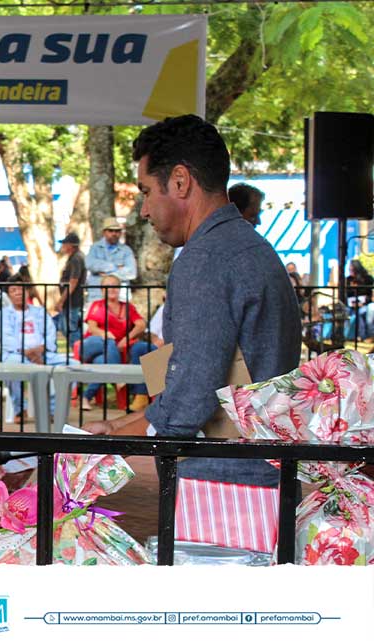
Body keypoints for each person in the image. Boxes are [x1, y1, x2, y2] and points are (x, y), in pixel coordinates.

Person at [84, 114, 301, 491]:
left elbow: (190, 398)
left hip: (227, 485)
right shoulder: (248, 246)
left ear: (180, 181)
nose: (144, 210)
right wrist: (117, 426)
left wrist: (112, 442)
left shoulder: (205, 259)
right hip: (261, 475)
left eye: (146, 191)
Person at [0, 275, 74, 424]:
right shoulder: (3, 315)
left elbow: (51, 334)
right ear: (9, 294)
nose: (18, 293)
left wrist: (41, 350)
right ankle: (20, 409)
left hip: (44, 354)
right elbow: (6, 340)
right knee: (10, 367)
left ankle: (53, 409)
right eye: (13, 290)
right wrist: (29, 353)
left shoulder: (40, 312)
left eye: (21, 289)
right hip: (16, 355)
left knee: (74, 366)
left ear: (28, 292)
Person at [79, 275, 155, 411]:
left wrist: (126, 338)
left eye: (115, 286)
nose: (112, 289)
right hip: (93, 345)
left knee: (103, 361)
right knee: (109, 341)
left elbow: (141, 324)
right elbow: (92, 327)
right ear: (102, 290)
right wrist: (105, 335)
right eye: (108, 286)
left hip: (112, 352)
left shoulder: (127, 307)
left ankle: (86, 396)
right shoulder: (97, 305)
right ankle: (118, 377)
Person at [85, 217, 137, 302]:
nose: (114, 234)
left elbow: (132, 273)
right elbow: (89, 264)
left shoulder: (126, 250)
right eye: (110, 231)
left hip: (120, 297)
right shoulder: (95, 248)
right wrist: (114, 267)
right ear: (104, 232)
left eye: (117, 231)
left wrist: (107, 274)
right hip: (97, 295)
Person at [53, 231, 87, 345]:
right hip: (71, 301)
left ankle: (80, 351)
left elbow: (73, 281)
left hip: (73, 301)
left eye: (64, 244)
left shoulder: (76, 259)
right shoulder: (75, 257)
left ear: (70, 246)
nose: (63, 246)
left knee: (70, 329)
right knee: (65, 326)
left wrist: (61, 301)